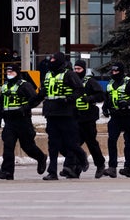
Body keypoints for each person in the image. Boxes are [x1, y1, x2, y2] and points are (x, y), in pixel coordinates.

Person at [36, 52, 88, 180]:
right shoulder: (48, 75)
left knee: (70, 143)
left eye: (54, 59)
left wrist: (68, 99)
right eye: (51, 59)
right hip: (51, 114)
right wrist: (29, 104)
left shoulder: (69, 74)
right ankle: (52, 172)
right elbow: (43, 92)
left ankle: (81, 156)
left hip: (66, 114)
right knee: (53, 145)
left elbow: (80, 89)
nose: (51, 61)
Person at [0, 64, 47, 180]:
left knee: (28, 147)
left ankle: (41, 157)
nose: (9, 74)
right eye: (8, 72)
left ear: (16, 73)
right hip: (9, 121)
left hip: (22, 121)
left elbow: (34, 99)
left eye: (11, 72)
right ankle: (7, 172)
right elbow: (1, 102)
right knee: (8, 146)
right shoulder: (5, 87)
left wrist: (25, 108)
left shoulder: (24, 85)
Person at [102, 62, 130, 178]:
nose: (114, 73)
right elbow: (107, 97)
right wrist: (105, 107)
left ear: (121, 72)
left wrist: (127, 103)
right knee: (111, 140)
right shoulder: (110, 83)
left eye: (116, 71)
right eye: (113, 71)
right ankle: (112, 167)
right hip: (116, 117)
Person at [70, 59, 107, 179]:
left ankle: (100, 164)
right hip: (75, 117)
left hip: (88, 118)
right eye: (75, 69)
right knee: (74, 144)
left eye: (79, 69)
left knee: (91, 143)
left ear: (84, 70)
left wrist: (90, 98)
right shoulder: (71, 81)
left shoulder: (90, 81)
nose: (76, 71)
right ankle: (76, 168)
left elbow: (101, 95)